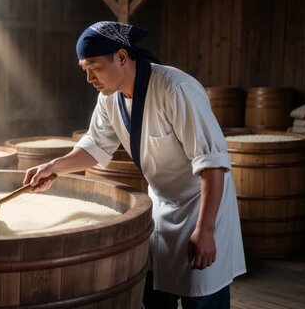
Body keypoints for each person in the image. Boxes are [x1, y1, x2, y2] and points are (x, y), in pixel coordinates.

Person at [23, 21, 246, 309]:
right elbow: (95, 146)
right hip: (162, 206)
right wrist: (53, 166)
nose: (90, 77)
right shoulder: (109, 98)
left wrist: (206, 229)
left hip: (201, 205)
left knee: (202, 297)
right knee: (154, 293)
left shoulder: (176, 88)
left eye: (95, 67)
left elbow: (212, 163)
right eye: (84, 69)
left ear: (121, 57)